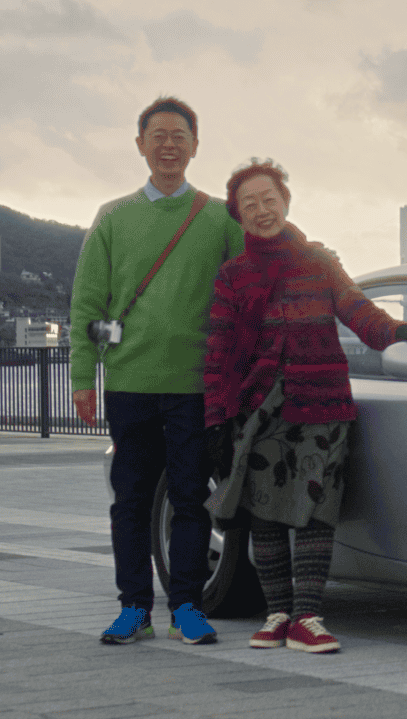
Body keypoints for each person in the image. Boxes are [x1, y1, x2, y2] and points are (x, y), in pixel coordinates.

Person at [203, 158, 407, 653]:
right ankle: (276, 615)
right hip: (260, 408)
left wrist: (401, 332)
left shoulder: (320, 262)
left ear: (286, 202)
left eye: (269, 199)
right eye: (249, 205)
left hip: (322, 403)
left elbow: (360, 311)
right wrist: (216, 421)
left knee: (317, 511)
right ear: (239, 217)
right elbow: (219, 353)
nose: (262, 210)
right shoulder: (233, 276)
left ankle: (308, 618)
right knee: (266, 516)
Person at [69, 97, 244, 645]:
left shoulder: (219, 217)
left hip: (195, 387)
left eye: (180, 135)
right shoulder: (114, 217)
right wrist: (82, 374)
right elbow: (90, 302)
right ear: (140, 144)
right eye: (159, 135)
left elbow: (251, 279)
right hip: (129, 383)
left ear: (196, 145)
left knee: (190, 497)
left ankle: (187, 607)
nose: (169, 144)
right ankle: (133, 609)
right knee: (132, 500)